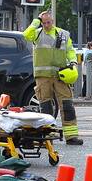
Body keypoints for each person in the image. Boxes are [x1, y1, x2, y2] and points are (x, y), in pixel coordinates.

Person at [21, 9, 82, 144]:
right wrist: (36, 20)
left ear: (52, 21)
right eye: (44, 23)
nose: (47, 25)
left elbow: (70, 50)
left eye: (49, 22)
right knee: (46, 106)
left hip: (60, 75)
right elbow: (25, 35)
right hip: (43, 76)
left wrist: (72, 62)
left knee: (67, 105)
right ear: (41, 23)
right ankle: (47, 136)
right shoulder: (37, 34)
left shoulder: (63, 34)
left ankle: (71, 137)